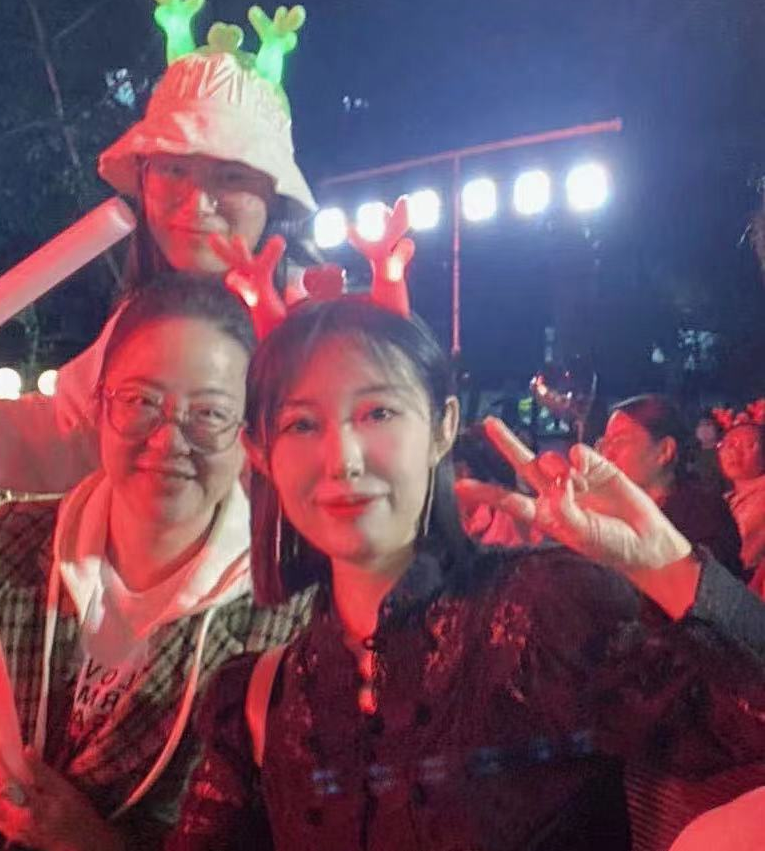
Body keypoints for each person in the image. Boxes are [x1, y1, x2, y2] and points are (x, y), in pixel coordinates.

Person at [165, 297, 765, 850]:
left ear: (442, 428)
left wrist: (664, 564)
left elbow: (742, 731)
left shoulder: (544, 615)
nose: (343, 459)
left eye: (378, 412)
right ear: (260, 453)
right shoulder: (263, 701)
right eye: (301, 423)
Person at [0, 275, 313, 851]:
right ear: (100, 406)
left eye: (209, 413)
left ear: (250, 432)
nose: (168, 441)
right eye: (140, 401)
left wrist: (89, 841)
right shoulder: (14, 542)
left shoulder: (283, 611)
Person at [0, 0, 329, 495]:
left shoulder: (323, 327)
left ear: (275, 196)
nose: (197, 202)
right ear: (143, 179)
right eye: (173, 170)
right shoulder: (134, 323)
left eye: (231, 176)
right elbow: (66, 433)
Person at [597, 394, 744, 579]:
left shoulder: (703, 516)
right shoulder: (604, 511)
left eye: (620, 441)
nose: (608, 454)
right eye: (605, 444)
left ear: (665, 451)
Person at [714, 403, 765, 586]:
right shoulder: (726, 498)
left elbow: (744, 556)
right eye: (728, 445)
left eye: (749, 445)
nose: (734, 452)